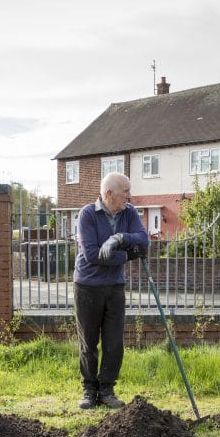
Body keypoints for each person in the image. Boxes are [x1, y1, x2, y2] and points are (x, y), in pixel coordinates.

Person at [73, 172, 149, 409]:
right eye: (125, 191)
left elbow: (143, 241)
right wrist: (128, 254)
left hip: (115, 287)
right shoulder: (87, 214)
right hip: (87, 286)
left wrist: (118, 237)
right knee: (89, 341)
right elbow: (92, 255)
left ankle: (107, 389)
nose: (130, 195)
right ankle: (89, 389)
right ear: (109, 193)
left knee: (114, 342)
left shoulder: (129, 212)